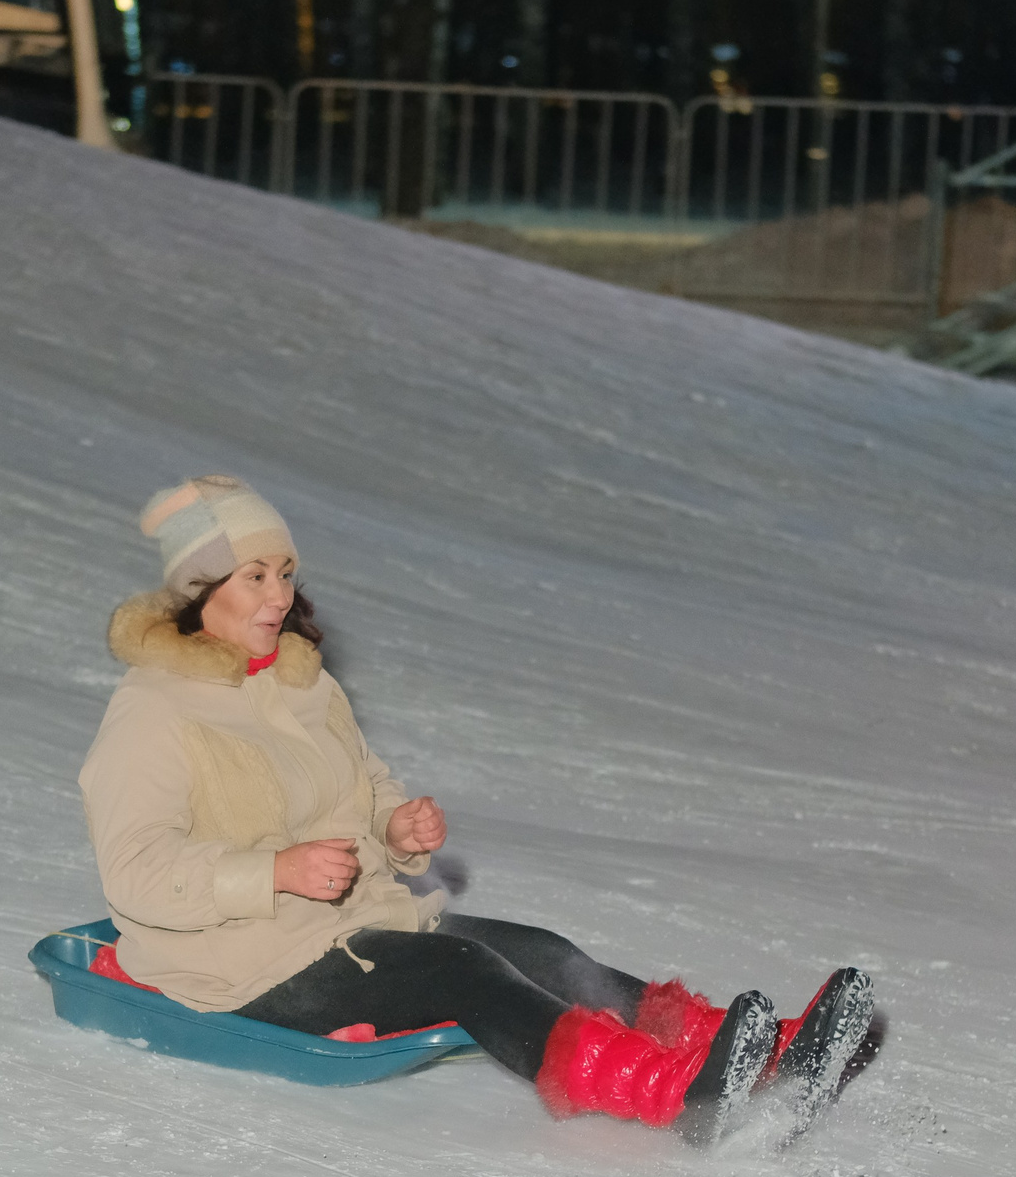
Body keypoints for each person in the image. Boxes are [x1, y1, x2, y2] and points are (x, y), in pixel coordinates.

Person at [76, 475, 859, 1130]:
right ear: (199, 588)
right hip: (243, 965)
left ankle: (746, 1048)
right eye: (256, 575)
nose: (279, 595)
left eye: (285, 572)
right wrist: (271, 871)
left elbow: (361, 791)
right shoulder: (156, 711)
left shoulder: (298, 682)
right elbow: (135, 870)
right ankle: (664, 1090)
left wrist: (392, 827)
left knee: (545, 951)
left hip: (347, 923)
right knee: (465, 970)